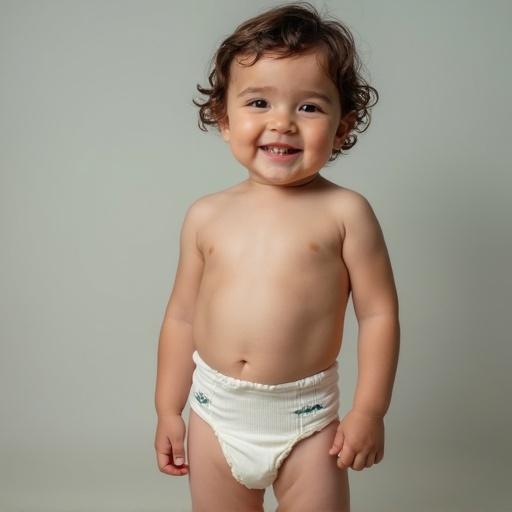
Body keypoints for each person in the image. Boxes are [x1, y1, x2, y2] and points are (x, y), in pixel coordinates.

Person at [154, 3, 400, 511]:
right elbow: (181, 316)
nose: (283, 122)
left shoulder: (345, 212)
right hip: (214, 412)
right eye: (259, 102)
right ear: (224, 117)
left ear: (341, 124)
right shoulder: (206, 215)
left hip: (306, 420)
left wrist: (370, 411)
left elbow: (378, 314)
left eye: (309, 107)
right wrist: (167, 409)